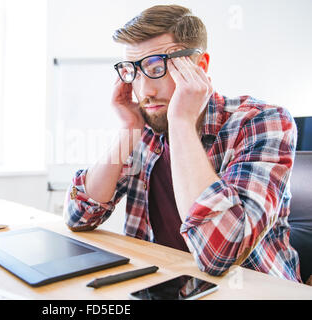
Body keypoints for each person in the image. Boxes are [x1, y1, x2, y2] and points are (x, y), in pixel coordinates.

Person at [63, 4, 301, 282]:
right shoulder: (146, 128)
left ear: (200, 67)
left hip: (251, 290)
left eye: (157, 68)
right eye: (133, 71)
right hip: (162, 283)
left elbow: (219, 254)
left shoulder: (262, 122)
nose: (144, 92)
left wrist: (182, 123)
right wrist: (128, 128)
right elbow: (79, 216)